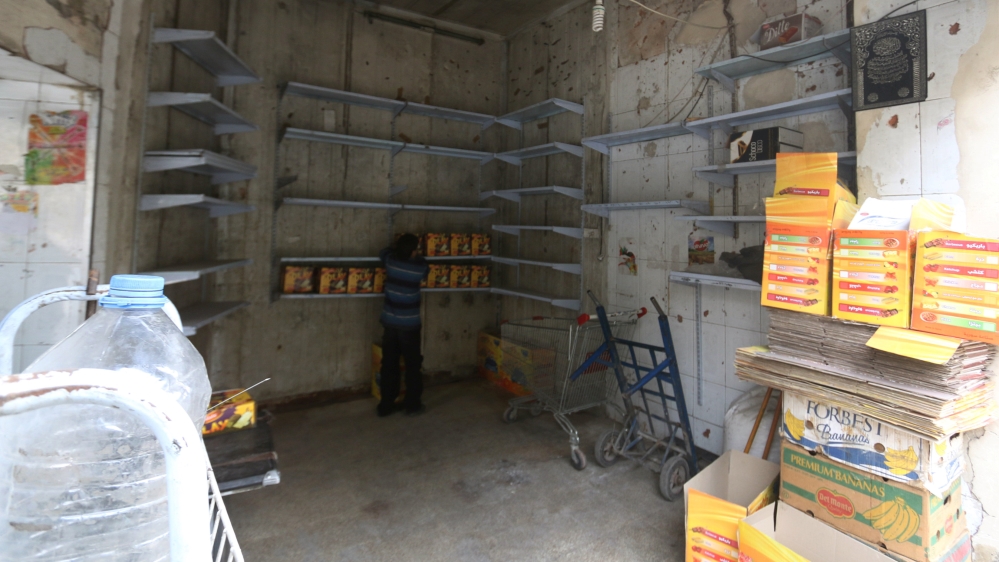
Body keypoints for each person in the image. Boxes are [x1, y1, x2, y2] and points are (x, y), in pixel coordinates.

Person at [377, 233, 429, 417]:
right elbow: (425, 268)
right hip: (410, 325)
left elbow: (383, 253)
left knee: (389, 364)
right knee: (412, 365)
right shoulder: (418, 268)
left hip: (390, 323)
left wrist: (396, 250)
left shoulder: (391, 262)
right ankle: (412, 404)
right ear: (414, 251)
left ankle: (386, 405)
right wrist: (416, 255)